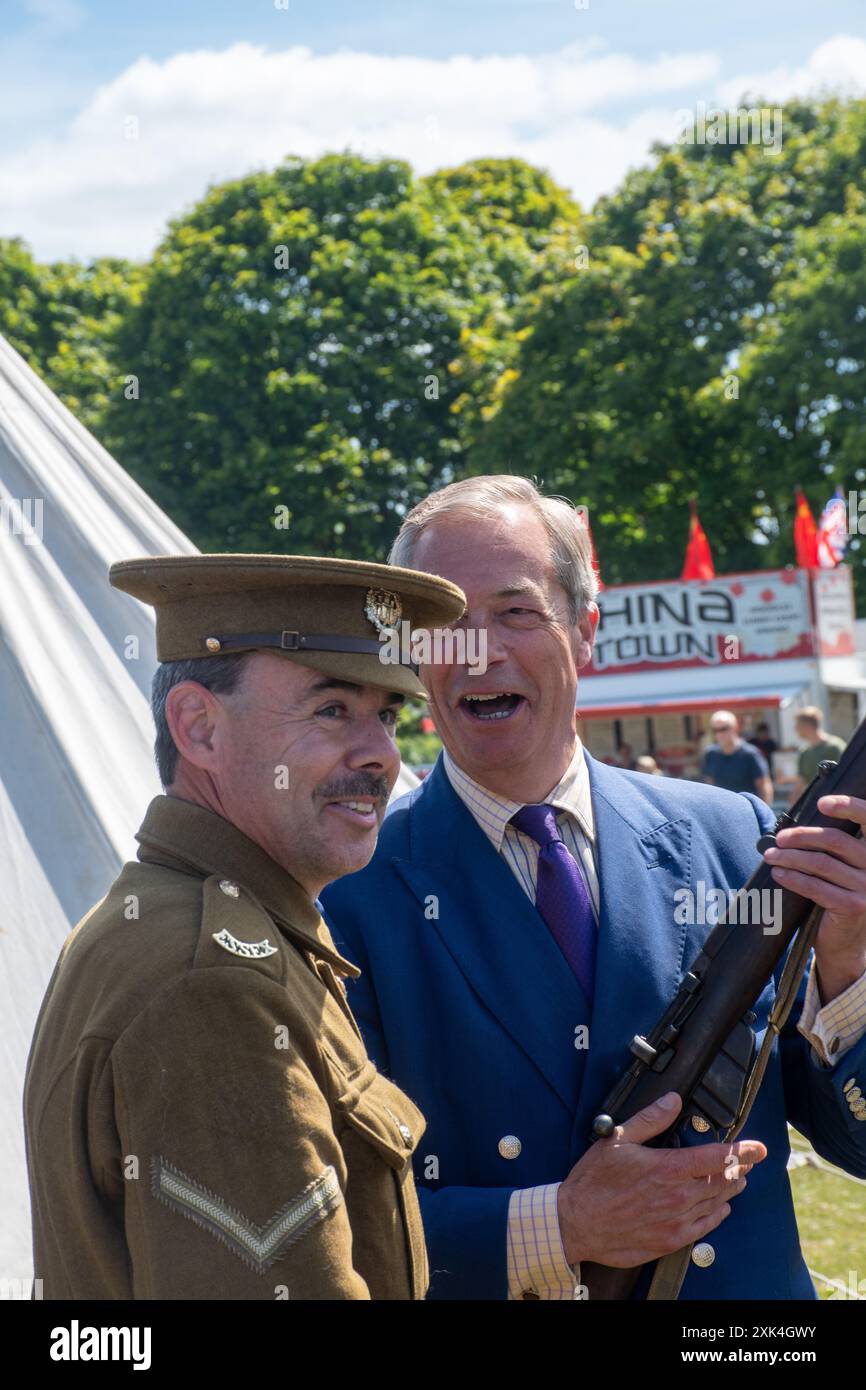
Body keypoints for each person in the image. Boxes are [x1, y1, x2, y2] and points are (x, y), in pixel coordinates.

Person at [322, 475, 866, 1301]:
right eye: (445, 625)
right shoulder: (346, 898)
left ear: (584, 632)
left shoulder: (734, 838)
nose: (479, 651)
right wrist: (562, 1227)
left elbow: (854, 1144)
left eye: (515, 612)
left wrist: (849, 968)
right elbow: (329, 1228)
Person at [24, 552, 464, 1300]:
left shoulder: (181, 922)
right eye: (332, 710)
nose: (382, 755)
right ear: (199, 729)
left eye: (386, 715)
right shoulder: (213, 979)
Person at [700, 711, 773, 804]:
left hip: (747, 810)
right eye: (715, 730)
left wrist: (765, 813)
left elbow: (764, 785)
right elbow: (709, 784)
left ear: (735, 728)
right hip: (721, 810)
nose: (719, 734)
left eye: (724, 729)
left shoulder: (750, 753)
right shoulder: (710, 754)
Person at [789, 706, 847, 804]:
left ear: (807, 726)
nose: (795, 729)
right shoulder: (805, 752)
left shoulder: (835, 747)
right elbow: (801, 782)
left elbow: (847, 775)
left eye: (797, 725)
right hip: (814, 805)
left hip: (836, 803)